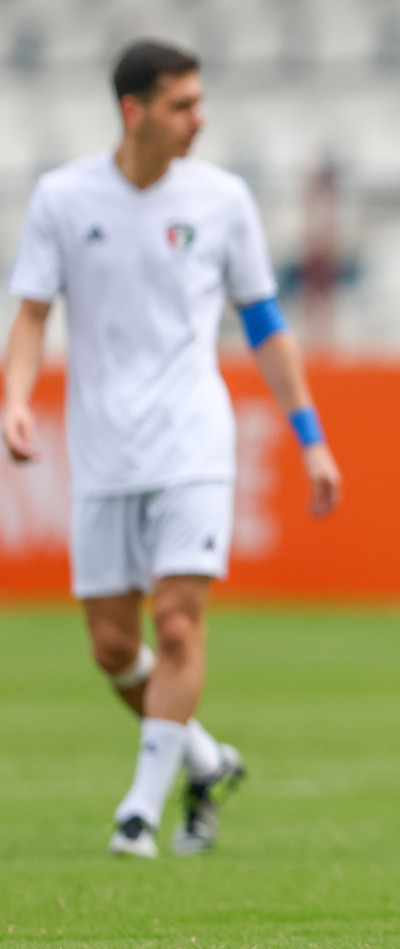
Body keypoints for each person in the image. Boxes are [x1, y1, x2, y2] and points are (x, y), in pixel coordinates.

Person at [1, 40, 342, 856]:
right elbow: (34, 313)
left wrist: (312, 439)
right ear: (134, 111)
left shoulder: (221, 200)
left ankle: (137, 816)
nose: (200, 117)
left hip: (194, 440)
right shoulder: (62, 197)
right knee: (115, 648)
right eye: (182, 104)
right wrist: (13, 397)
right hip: (104, 450)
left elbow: (265, 325)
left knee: (181, 627)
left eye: (199, 100)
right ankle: (204, 757)